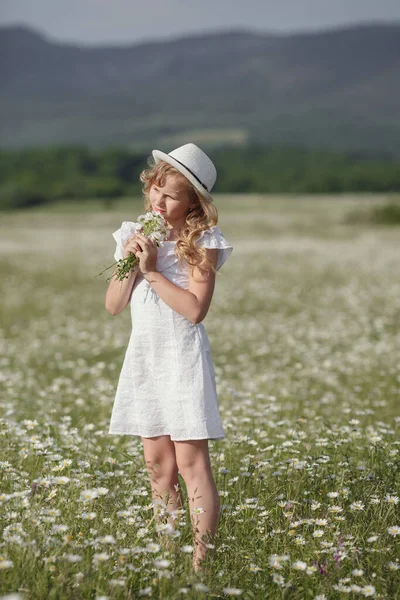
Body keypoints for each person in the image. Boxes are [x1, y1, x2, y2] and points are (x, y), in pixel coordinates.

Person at [105, 143, 233, 572]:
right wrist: (129, 260)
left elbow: (195, 310)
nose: (159, 201)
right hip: (145, 357)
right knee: (158, 466)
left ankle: (202, 565)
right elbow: (114, 305)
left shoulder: (204, 242)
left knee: (191, 462)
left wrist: (153, 270)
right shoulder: (132, 233)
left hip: (182, 357)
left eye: (172, 195)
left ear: (193, 201)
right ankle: (166, 559)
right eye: (156, 190)